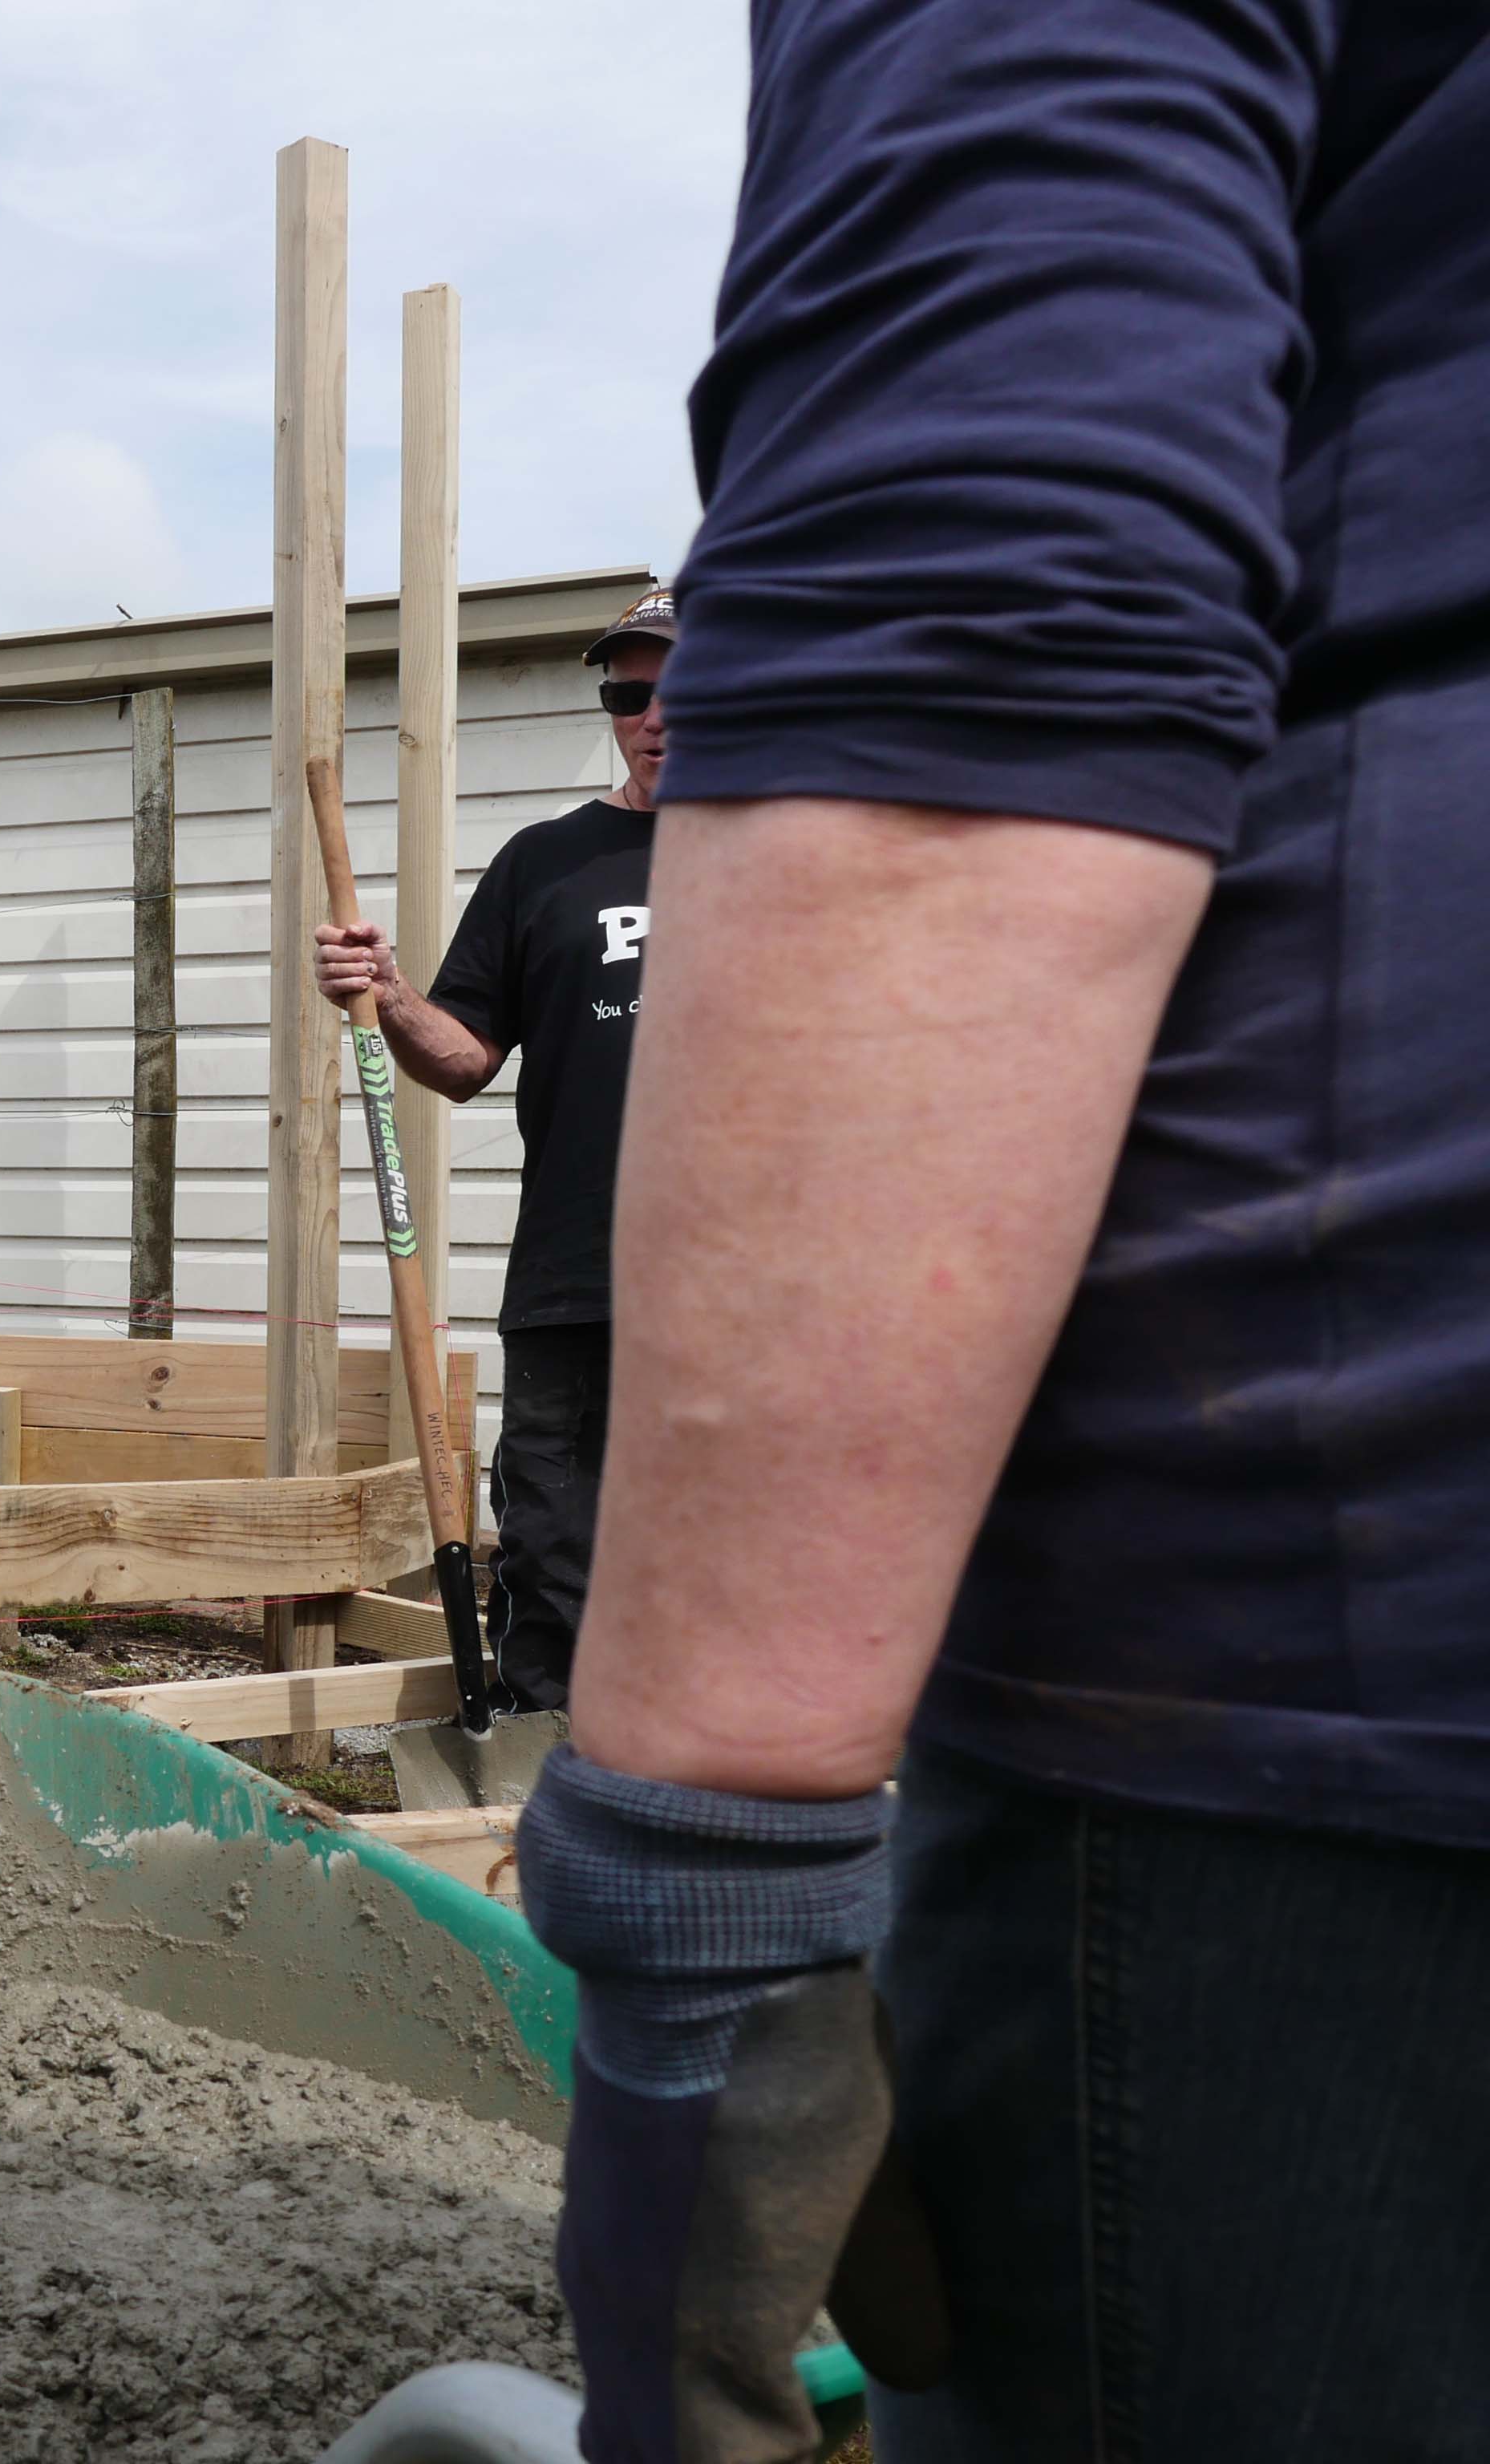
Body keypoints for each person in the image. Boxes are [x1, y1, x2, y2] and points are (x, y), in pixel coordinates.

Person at [512, 7, 1490, 2459]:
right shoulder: (540, 878)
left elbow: (985, 595)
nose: (649, 718)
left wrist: (703, 1869)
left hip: (1330, 1599)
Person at [309, 586, 674, 1711]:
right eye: (630, 692)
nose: (656, 713)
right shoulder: (546, 864)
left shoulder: (800, 852)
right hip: (574, 1277)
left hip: (752, 1291)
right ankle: (529, 1805)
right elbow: (463, 1058)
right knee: (553, 1547)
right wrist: (388, 991)